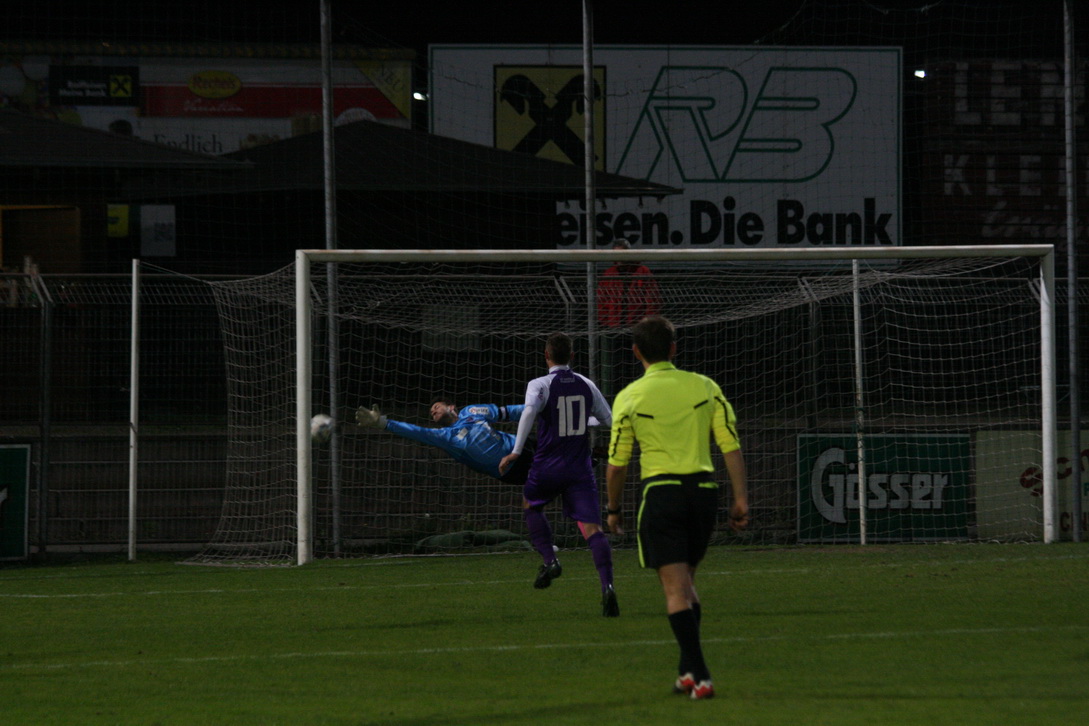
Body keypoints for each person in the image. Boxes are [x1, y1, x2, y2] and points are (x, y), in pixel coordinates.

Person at [604, 315, 749, 700]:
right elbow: (730, 444)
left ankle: (701, 676)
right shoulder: (704, 385)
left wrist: (613, 509)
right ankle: (687, 672)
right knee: (686, 584)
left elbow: (617, 463)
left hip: (662, 495)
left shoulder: (630, 396)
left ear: (635, 352)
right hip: (703, 493)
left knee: (674, 590)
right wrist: (740, 498)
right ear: (673, 348)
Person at [498, 332, 620, 617]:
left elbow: (529, 412)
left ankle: (550, 559)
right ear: (572, 357)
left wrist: (516, 451)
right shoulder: (587, 384)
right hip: (580, 469)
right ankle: (608, 587)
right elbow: (609, 420)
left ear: (546, 356)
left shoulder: (540, 384)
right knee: (593, 529)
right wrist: (580, 421)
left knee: (531, 505)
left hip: (548, 466)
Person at [355, 398, 534, 485]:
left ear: (451, 407)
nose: (433, 411)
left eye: (436, 406)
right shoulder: (445, 437)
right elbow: (416, 432)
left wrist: (538, 407)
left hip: (524, 446)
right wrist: (382, 423)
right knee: (547, 489)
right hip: (510, 471)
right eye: (431, 412)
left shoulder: (472, 411)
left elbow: (508, 411)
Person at [597, 240, 660, 398]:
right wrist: (607, 323)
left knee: (638, 369)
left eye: (623, 253)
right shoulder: (609, 274)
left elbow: (652, 301)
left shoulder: (642, 272)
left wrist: (645, 326)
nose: (620, 258)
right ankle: (613, 403)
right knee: (613, 371)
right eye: (616, 253)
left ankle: (640, 400)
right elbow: (601, 302)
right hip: (614, 330)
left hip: (636, 331)